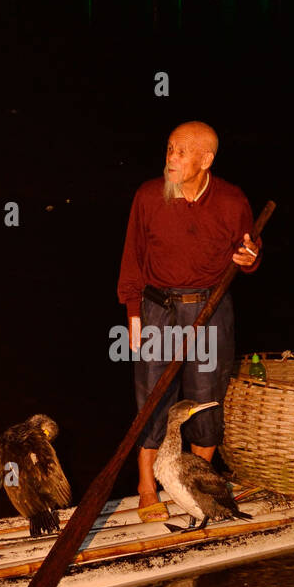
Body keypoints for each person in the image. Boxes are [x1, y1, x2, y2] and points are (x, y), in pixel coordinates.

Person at [117, 121, 261, 523]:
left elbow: (248, 248)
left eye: (181, 152)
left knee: (205, 399)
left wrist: (250, 258)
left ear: (206, 160)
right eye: (169, 149)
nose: (171, 158)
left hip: (211, 309)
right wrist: (132, 314)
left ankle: (197, 484)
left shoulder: (232, 201)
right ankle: (147, 487)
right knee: (153, 399)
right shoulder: (148, 196)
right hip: (158, 309)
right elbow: (132, 257)